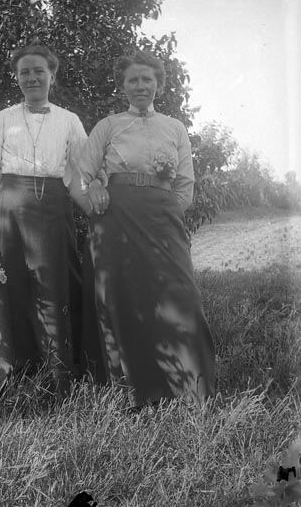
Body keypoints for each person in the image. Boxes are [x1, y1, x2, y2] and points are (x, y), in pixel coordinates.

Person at [72, 50, 215, 407]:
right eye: (133, 80)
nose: (140, 86)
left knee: (181, 296)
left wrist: (165, 213)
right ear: (122, 86)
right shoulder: (108, 125)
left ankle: (190, 388)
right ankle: (133, 390)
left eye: (147, 79)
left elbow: (185, 186)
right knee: (122, 297)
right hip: (116, 219)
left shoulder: (174, 127)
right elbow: (81, 175)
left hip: (162, 219)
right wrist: (97, 192)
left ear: (158, 85)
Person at [0, 44, 87, 397]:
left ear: (52, 75)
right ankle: (9, 376)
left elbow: (80, 177)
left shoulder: (70, 121)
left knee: (53, 288)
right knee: (8, 288)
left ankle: (57, 376)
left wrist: (101, 213)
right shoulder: (1, 120)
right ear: (17, 78)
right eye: (24, 72)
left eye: (39, 71)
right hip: (7, 215)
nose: (32, 78)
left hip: (53, 213)